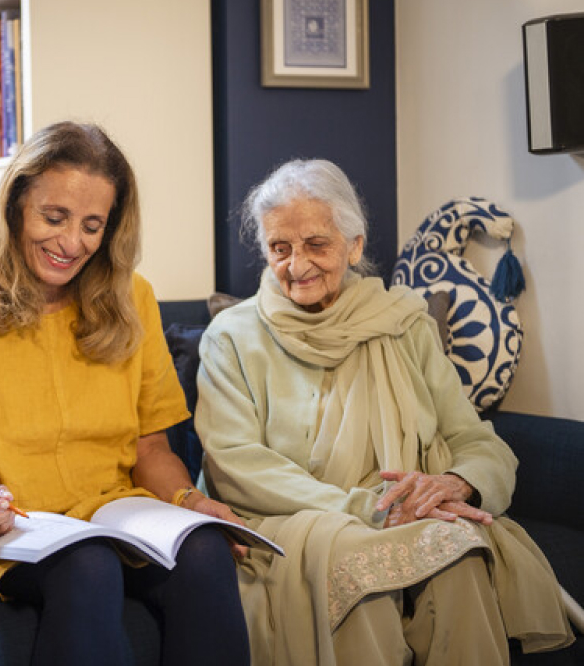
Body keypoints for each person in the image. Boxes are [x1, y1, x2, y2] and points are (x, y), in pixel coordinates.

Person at [0, 121, 250, 666]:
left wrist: (195, 504)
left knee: (204, 552)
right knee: (89, 564)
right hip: (12, 529)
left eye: (91, 226)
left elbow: (151, 449)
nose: (70, 243)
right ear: (16, 205)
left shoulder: (133, 297)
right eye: (53, 217)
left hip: (116, 514)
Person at [195, 158, 576, 666]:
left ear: (353, 245)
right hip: (292, 522)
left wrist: (457, 484)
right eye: (279, 248)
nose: (297, 264)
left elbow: (477, 441)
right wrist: (368, 509)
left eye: (316, 244)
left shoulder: (404, 324)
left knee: (457, 550)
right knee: (359, 558)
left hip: (407, 515)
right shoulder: (231, 337)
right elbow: (235, 464)